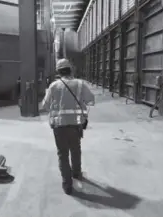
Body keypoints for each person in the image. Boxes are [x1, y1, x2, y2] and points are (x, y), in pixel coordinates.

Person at [41, 58, 95, 195]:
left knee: (62, 154)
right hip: (76, 125)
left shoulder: (53, 86)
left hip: (59, 126)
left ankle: (67, 186)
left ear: (58, 72)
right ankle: (76, 174)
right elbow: (91, 100)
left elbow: (45, 106)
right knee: (75, 150)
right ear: (70, 70)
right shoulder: (80, 84)